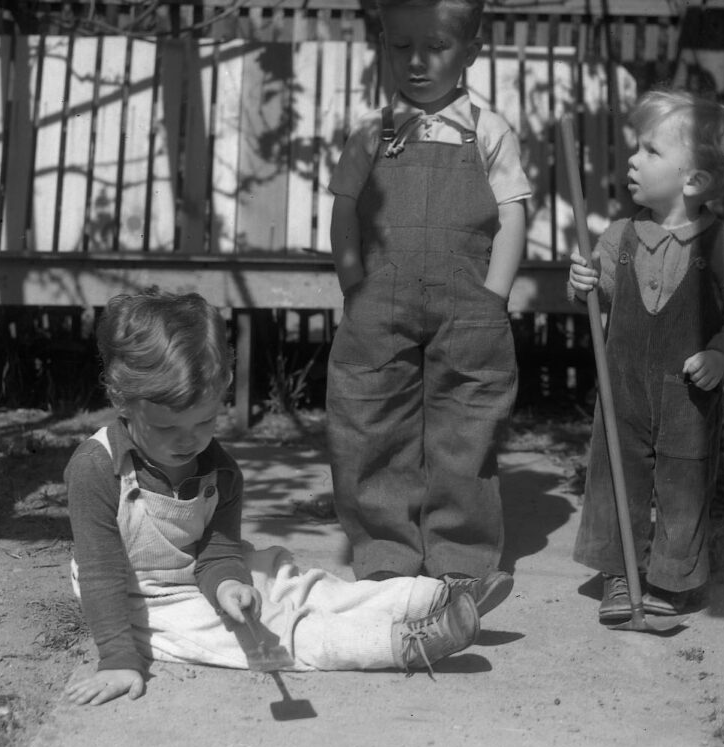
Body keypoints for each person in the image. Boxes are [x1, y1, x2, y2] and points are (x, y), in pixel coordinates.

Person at [64, 289, 482, 706]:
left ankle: (429, 598)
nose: (189, 439)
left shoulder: (221, 470)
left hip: (196, 571)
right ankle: (396, 643)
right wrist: (117, 658)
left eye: (206, 420)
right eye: (167, 428)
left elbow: (218, 549)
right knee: (268, 630)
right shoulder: (98, 469)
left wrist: (227, 582)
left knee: (292, 582)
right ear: (122, 401)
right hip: (141, 599)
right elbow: (101, 573)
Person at [325, 0, 530, 613]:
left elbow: (513, 213)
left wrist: (495, 293)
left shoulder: (488, 130)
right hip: (377, 302)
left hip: (469, 303)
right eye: (399, 46)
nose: (415, 62)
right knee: (369, 422)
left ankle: (460, 560)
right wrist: (353, 283)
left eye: (435, 47)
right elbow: (342, 211)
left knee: (466, 424)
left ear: (471, 51)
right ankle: (386, 556)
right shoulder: (371, 131)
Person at [568, 88, 724, 623]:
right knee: (616, 475)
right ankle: (618, 574)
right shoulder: (620, 236)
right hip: (624, 386)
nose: (634, 159)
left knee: (682, 484)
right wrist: (583, 280)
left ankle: (671, 578)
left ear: (694, 180)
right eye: (638, 149)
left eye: (651, 151)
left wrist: (723, 354)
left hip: (688, 392)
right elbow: (600, 294)